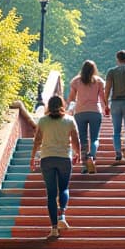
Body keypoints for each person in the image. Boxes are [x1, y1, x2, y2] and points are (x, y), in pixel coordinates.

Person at [30, 95, 81, 239]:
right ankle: (62, 216)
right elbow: (76, 139)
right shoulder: (69, 120)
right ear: (62, 105)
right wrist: (78, 154)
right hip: (64, 157)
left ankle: (53, 228)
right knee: (64, 188)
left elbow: (37, 140)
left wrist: (33, 157)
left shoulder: (43, 121)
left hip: (47, 158)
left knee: (51, 194)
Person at [67, 60, 107, 174]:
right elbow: (102, 98)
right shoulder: (99, 81)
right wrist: (106, 109)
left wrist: (67, 109)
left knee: (82, 139)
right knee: (94, 138)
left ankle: (84, 165)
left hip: (80, 112)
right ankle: (92, 156)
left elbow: (71, 98)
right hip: (95, 111)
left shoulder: (76, 81)